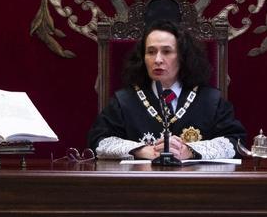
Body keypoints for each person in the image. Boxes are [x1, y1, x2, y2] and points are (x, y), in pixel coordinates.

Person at [88, 20, 245, 160]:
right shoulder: (124, 101)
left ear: (182, 56)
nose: (157, 60)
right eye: (151, 52)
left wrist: (189, 151)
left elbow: (236, 141)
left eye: (167, 51)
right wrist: (142, 150)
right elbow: (98, 141)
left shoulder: (210, 100)